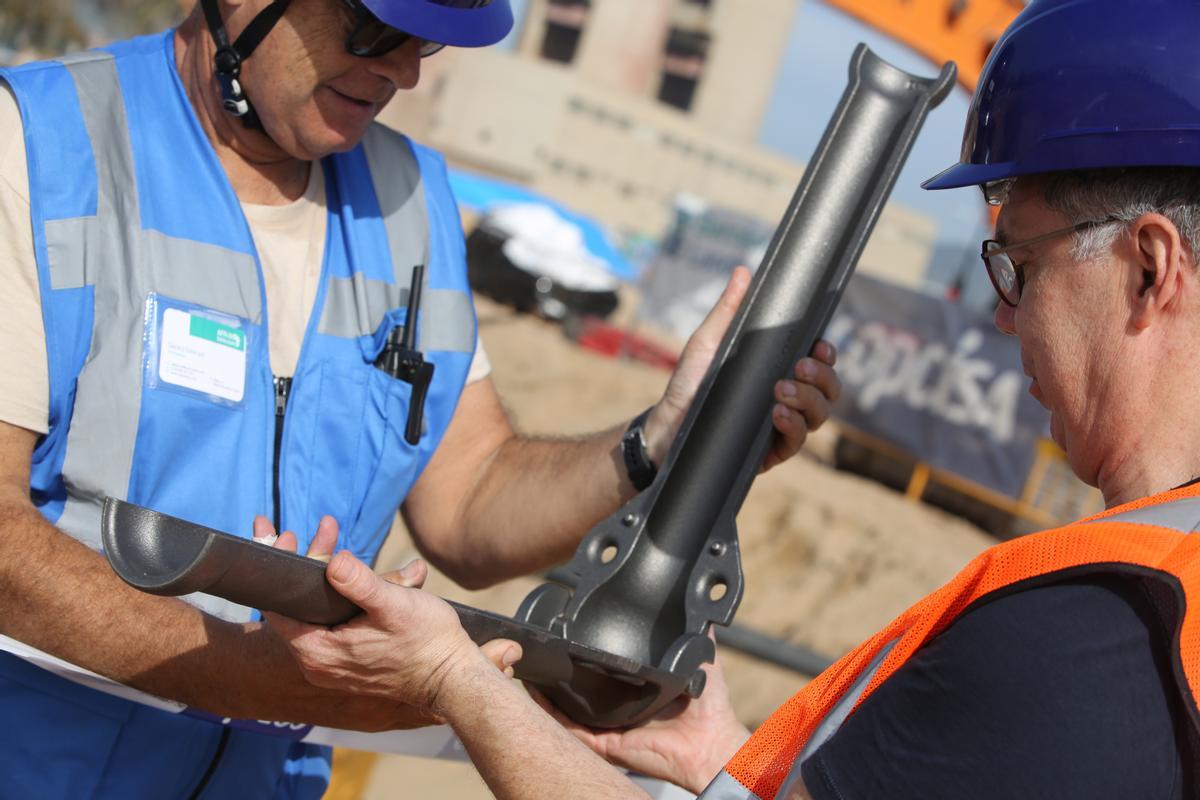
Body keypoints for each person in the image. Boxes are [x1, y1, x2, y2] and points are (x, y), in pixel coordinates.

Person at [272, 0, 1200, 797]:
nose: (1005, 320)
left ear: (1150, 265)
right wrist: (732, 759)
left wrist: (452, 680)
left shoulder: (1086, 634)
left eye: (1019, 266)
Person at [0, 0, 840, 797]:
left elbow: (471, 505)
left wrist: (660, 438)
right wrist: (274, 679)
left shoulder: (410, 201)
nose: (402, 71)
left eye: (427, 39)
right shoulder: (42, 146)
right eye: (375, 26)